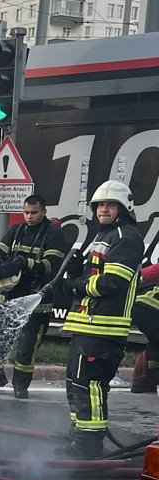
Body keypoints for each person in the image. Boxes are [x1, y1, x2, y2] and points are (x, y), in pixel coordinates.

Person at [40, 180, 143, 458]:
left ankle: (88, 444)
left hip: (104, 328)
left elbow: (112, 282)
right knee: (77, 383)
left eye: (111, 205)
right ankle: (79, 435)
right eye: (100, 205)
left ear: (124, 208)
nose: (103, 210)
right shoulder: (105, 236)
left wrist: (75, 285)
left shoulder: (126, 237)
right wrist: (76, 272)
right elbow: (95, 275)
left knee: (90, 385)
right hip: (87, 325)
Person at [0, 194, 68, 399]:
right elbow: (0, 252)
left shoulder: (54, 235)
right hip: (10, 300)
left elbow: (50, 266)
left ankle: (21, 384)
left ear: (44, 212)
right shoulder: (16, 231)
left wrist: (26, 263)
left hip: (37, 303)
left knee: (26, 347)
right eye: (26, 212)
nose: (29, 217)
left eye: (34, 213)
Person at [129, 263, 159, 393]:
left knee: (155, 344)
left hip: (141, 306)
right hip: (153, 308)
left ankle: (143, 384)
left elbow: (143, 275)